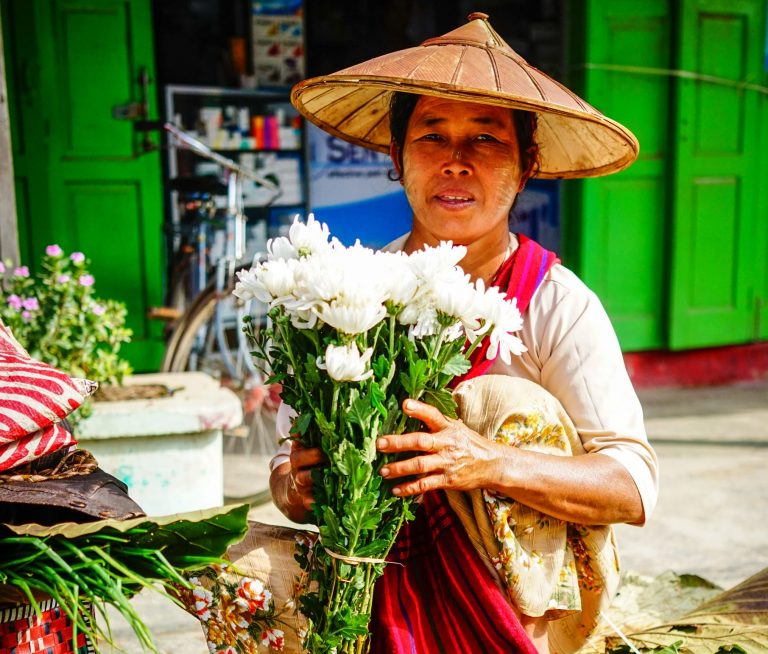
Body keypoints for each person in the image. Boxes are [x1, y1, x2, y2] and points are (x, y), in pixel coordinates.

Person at [269, 12, 658, 654]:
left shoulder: (556, 303)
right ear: (398, 157)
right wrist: (296, 484)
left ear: (523, 164)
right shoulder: (350, 295)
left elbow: (632, 486)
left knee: (505, 407)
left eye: (485, 139)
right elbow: (289, 463)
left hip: (509, 617)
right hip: (368, 599)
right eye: (431, 137)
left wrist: (486, 462)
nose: (455, 162)